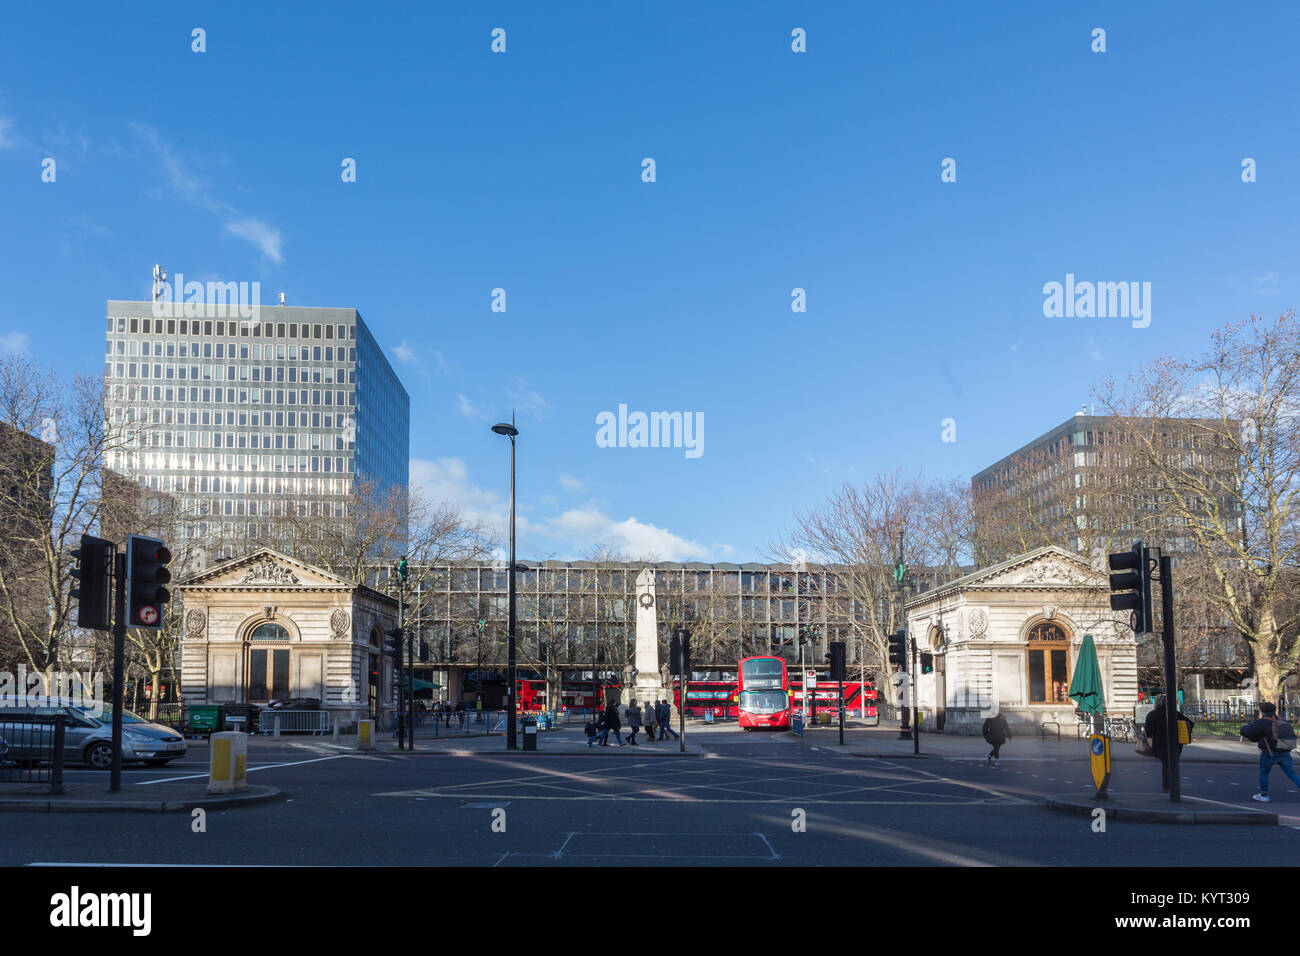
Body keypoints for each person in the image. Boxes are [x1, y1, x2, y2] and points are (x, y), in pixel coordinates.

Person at [1240, 701, 1300, 802]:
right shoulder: (1283, 721)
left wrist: (1245, 728)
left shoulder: (1262, 722)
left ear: (1262, 711)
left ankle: (1264, 795)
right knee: (1291, 774)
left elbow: (1252, 735)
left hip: (1269, 752)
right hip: (1284, 751)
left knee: (1264, 773)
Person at [1143, 694, 1194, 792]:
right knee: (1172, 765)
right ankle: (1173, 786)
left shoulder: (1153, 714)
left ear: (1157, 703)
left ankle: (1167, 787)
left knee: (1166, 765)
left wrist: (1150, 742)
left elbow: (1148, 731)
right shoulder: (1175, 713)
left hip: (1160, 744)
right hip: (1176, 744)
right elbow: (1190, 724)